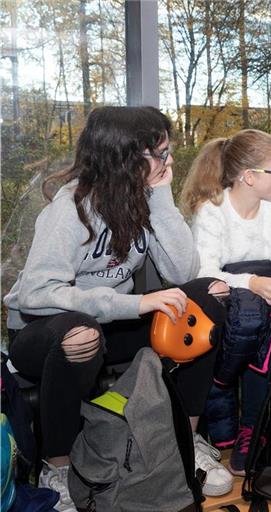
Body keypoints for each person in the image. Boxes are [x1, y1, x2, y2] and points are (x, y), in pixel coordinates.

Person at [3, 106, 234, 510]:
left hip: (114, 320)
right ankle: (55, 468)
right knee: (81, 332)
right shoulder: (70, 209)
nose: (169, 161)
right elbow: (36, 293)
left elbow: (183, 270)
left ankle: (186, 439)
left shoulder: (143, 201)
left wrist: (161, 200)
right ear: (127, 157)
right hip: (41, 332)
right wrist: (134, 302)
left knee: (207, 297)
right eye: (160, 153)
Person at [180, 128, 271, 476]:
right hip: (229, 292)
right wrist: (254, 284)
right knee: (259, 323)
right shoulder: (212, 210)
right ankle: (251, 428)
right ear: (248, 176)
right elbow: (207, 273)